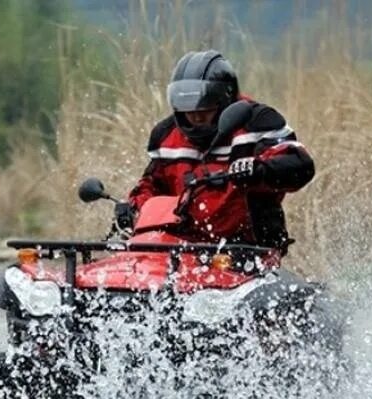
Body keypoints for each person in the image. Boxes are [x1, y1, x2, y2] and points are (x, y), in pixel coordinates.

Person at [124, 50, 315, 251]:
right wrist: (133, 208)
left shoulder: (257, 122)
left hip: (247, 250)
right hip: (179, 249)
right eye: (189, 111)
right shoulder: (165, 135)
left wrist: (259, 170)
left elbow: (301, 166)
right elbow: (152, 185)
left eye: (204, 111)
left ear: (225, 100)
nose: (196, 117)